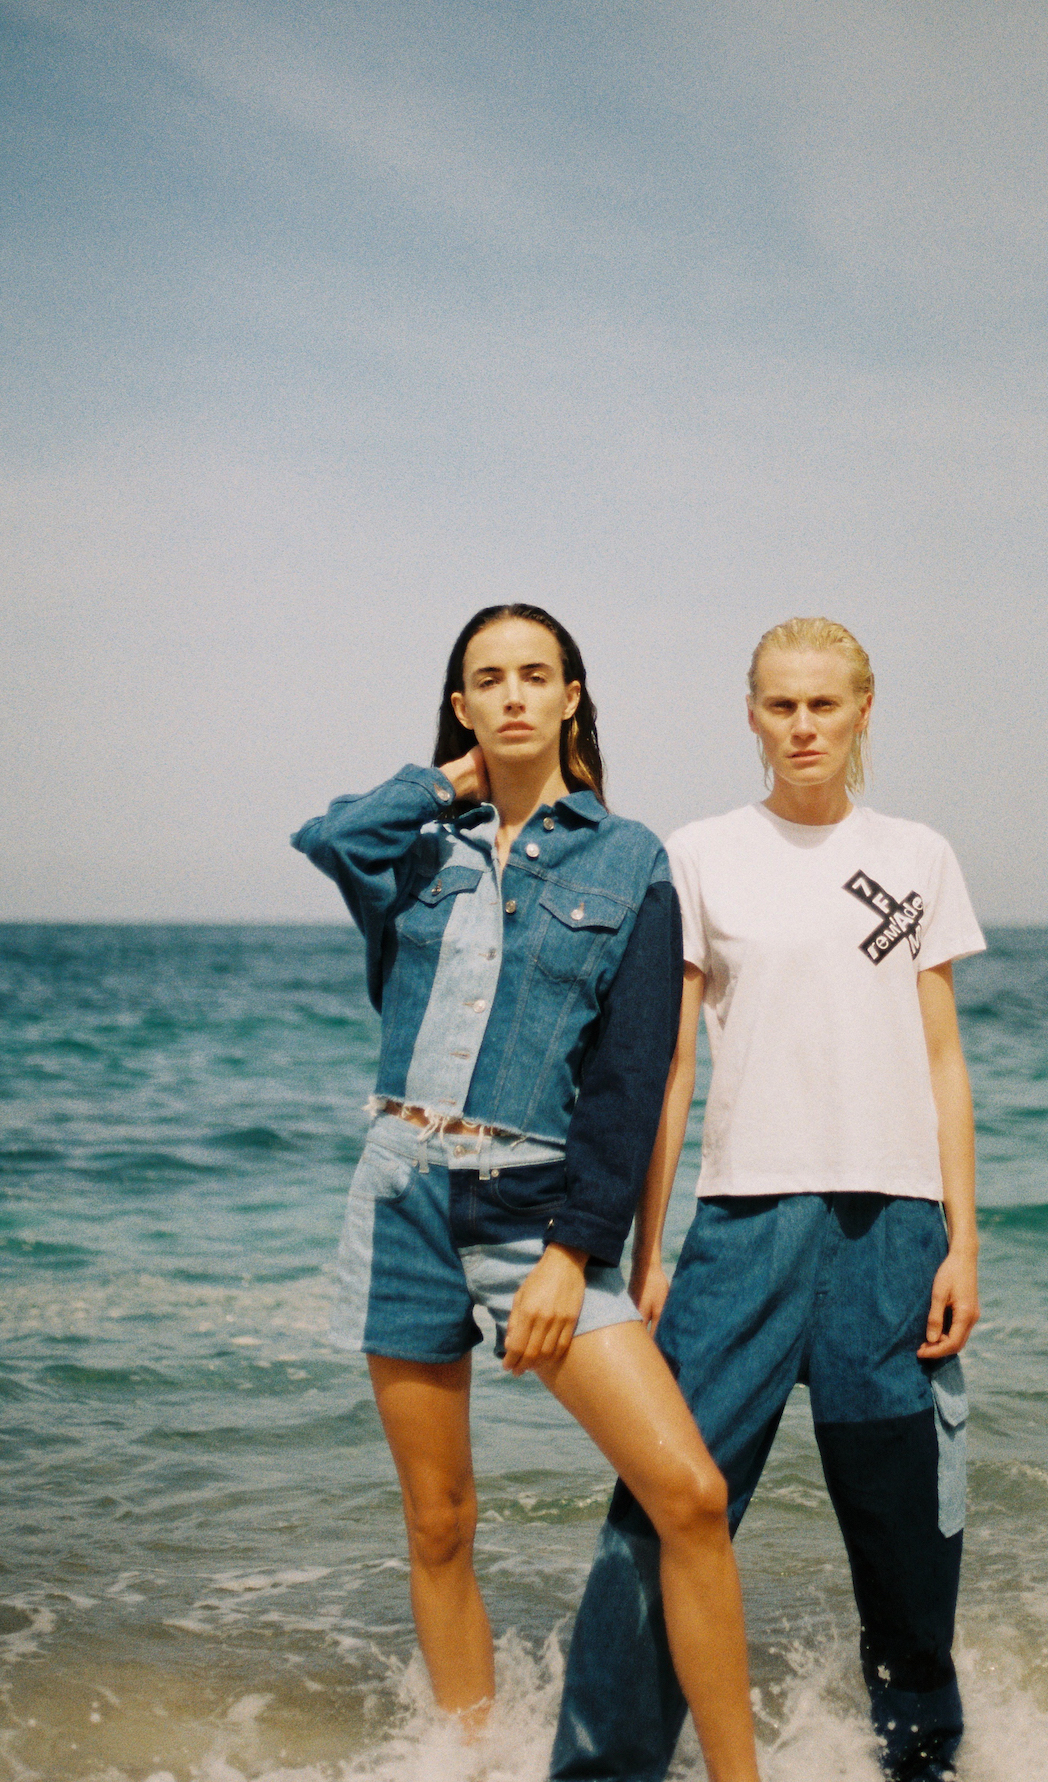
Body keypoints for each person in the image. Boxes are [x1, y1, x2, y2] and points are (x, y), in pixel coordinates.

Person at [292, 604, 760, 1782]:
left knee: (690, 1494)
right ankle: (467, 1762)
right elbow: (327, 835)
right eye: (487, 679)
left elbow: (630, 1077)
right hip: (400, 1198)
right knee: (439, 1522)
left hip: (530, 1212)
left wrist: (573, 1250)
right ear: (461, 705)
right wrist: (448, 781)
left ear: (571, 695)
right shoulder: (415, 853)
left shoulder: (630, 860)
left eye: (534, 675)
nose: (512, 694)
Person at [551, 616, 985, 1782]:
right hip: (743, 1227)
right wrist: (648, 1249)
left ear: (862, 710)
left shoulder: (918, 855)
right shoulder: (700, 854)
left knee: (906, 1541)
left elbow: (943, 1057)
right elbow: (670, 1066)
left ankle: (921, 1760)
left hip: (893, 1233)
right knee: (665, 1506)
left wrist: (963, 1241)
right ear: (750, 713)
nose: (802, 726)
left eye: (823, 704)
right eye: (781, 704)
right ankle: (603, 1767)